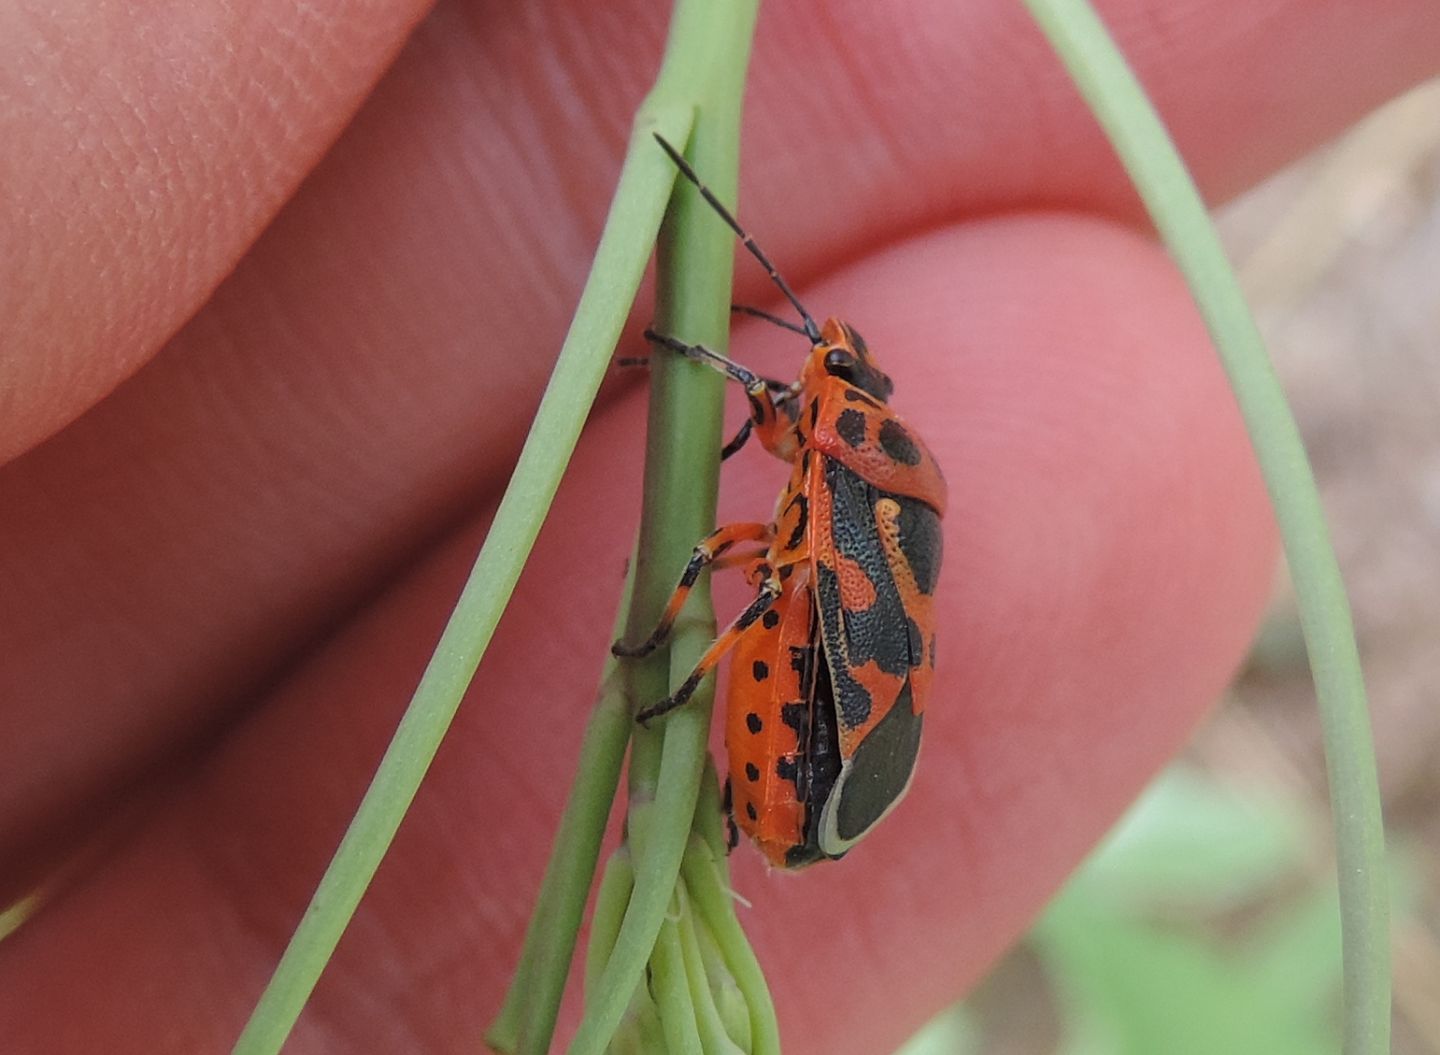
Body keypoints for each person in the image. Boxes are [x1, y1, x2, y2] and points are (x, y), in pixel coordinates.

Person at [1, 1, 1435, 1050]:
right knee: (739, 583)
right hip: (807, 728)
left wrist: (700, 432)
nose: (807, 384)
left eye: (820, 384)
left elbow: (773, 524)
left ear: (849, 418)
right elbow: (773, 485)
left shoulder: (858, 467)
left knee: (744, 586)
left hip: (800, 736)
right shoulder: (855, 464)